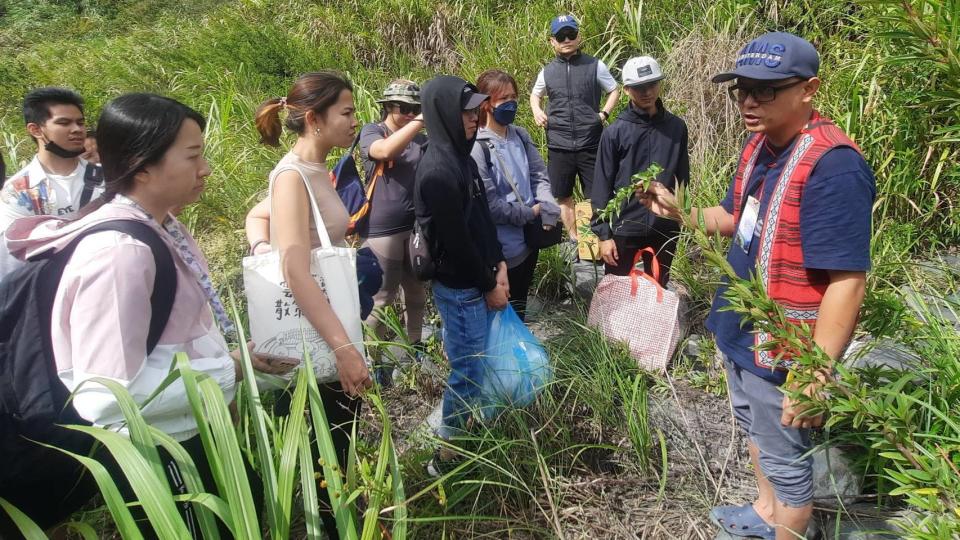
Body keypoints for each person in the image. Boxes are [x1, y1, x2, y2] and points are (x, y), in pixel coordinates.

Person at [1, 93, 286, 537]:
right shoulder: (121, 253)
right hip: (162, 454)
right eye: (193, 155)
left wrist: (231, 363)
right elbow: (104, 395)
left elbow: (165, 339)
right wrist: (229, 369)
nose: (206, 168)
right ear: (142, 165)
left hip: (188, 432)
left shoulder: (160, 224)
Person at [642, 33, 875, 539]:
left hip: (785, 345)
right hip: (741, 327)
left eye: (766, 91)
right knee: (755, 431)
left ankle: (788, 523)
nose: (749, 101)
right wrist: (681, 213)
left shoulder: (833, 166)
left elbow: (847, 279)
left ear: (809, 89)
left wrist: (815, 373)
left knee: (790, 467)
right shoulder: (760, 146)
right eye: (742, 90)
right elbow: (733, 218)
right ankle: (763, 513)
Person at [252, 70, 372, 537]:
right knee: (326, 454)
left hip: (331, 324)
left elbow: (257, 215)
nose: (354, 120)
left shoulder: (317, 169)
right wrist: (344, 348)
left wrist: (261, 244)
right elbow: (296, 272)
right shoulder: (292, 176)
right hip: (319, 339)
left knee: (339, 447)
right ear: (314, 118)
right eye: (346, 112)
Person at [414, 75, 508, 474]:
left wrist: (500, 263)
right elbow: (456, 242)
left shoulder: (461, 159)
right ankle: (448, 454)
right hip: (461, 287)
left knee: (476, 363)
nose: (475, 117)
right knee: (468, 368)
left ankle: (470, 431)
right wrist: (489, 285)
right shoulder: (437, 171)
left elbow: (482, 222)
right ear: (444, 114)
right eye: (467, 111)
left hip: (479, 279)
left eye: (477, 110)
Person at [591, 56, 689, 285]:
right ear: (626, 90)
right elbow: (601, 185)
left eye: (652, 84)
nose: (647, 92)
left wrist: (681, 216)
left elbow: (683, 178)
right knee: (616, 292)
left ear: (660, 84)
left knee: (658, 289)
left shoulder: (676, 128)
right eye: (639, 87)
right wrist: (604, 235)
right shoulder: (615, 132)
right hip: (625, 226)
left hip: (665, 225)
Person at [472, 69, 560, 320]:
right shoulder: (477, 147)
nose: (511, 103)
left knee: (519, 304)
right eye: (503, 99)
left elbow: (538, 175)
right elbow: (489, 205)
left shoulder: (520, 134)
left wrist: (547, 206)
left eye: (514, 96)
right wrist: (529, 213)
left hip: (529, 241)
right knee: (499, 311)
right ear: (486, 104)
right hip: (502, 248)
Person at [530, 14, 620, 241]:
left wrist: (603, 114)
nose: (567, 40)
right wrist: (537, 111)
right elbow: (535, 95)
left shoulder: (594, 65)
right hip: (559, 143)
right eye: (561, 36)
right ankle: (574, 240)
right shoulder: (547, 71)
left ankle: (597, 239)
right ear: (553, 41)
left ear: (579, 37)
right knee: (562, 196)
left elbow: (614, 89)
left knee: (597, 195)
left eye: (571, 34)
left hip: (591, 142)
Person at [0, 88, 103, 232]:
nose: (77, 129)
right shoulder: (16, 192)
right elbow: (16, 247)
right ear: (35, 130)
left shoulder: (110, 178)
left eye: (80, 123)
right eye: (64, 123)